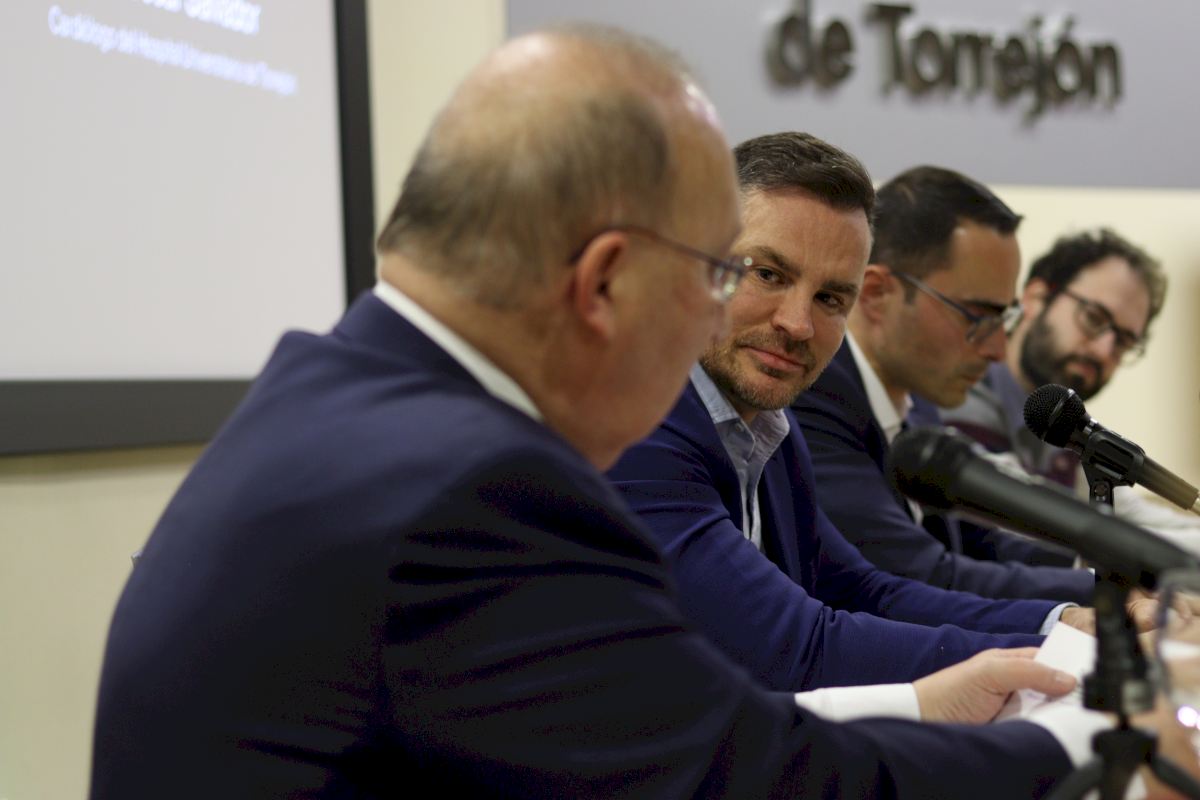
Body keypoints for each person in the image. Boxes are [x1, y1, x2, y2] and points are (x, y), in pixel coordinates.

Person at [88, 26, 1183, 800]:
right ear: (607, 277)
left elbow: (680, 730)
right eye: (721, 272)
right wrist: (1101, 747)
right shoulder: (476, 488)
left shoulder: (337, 394)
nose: (742, 317)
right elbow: (736, 769)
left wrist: (951, 691)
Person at [607, 132, 1101, 707]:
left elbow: (862, 589)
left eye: (830, 299)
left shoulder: (770, 426)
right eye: (767, 274)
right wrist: (1072, 658)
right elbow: (794, 648)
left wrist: (1065, 622)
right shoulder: (635, 420)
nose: (797, 324)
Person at [791, 166, 1098, 600]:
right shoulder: (814, 394)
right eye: (977, 317)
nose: (997, 350)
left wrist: (1112, 574)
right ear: (876, 293)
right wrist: (1102, 593)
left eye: (1005, 318)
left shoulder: (916, 400)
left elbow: (978, 544)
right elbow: (917, 578)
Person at [940, 229, 1200, 548]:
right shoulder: (961, 395)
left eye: (1123, 341)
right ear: (1035, 297)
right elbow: (1025, 532)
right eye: (1094, 318)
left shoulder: (1062, 423)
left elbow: (1138, 518)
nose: (1104, 350)